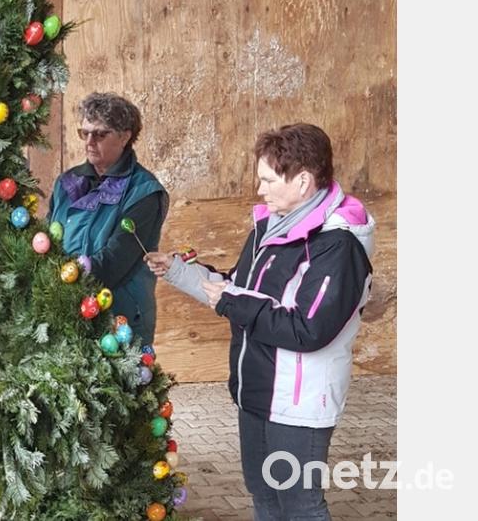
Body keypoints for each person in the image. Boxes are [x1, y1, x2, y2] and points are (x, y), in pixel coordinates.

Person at [145, 123, 375, 520]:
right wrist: (180, 271)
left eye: (268, 180)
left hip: (297, 404)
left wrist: (235, 301)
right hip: (257, 391)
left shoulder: (337, 245)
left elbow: (308, 329)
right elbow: (238, 288)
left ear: (302, 181)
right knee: (263, 494)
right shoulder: (270, 228)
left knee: (300, 505)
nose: (260, 189)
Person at [48, 92, 169, 344]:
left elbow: (117, 259)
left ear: (125, 136)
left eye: (100, 134)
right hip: (65, 310)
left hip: (118, 316)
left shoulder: (144, 192)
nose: (89, 142)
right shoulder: (66, 183)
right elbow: (50, 240)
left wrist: (68, 281)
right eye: (85, 133)